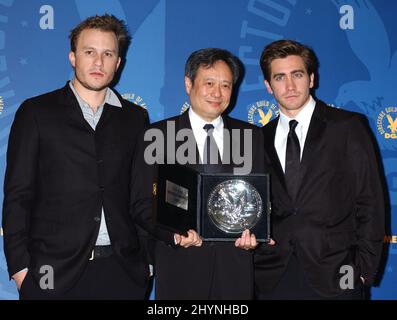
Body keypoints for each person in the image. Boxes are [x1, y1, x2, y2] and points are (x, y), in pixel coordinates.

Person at [2, 14, 153, 299]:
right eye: (89, 52)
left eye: (108, 54)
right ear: (73, 57)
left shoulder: (135, 118)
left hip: (122, 272)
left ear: (118, 63)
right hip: (51, 273)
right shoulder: (36, 113)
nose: (99, 62)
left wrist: (147, 262)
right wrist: (20, 269)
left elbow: (141, 195)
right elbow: (18, 195)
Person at [254, 39, 385, 299]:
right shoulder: (259, 138)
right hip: (274, 276)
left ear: (311, 78)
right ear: (268, 86)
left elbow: (370, 201)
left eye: (297, 75)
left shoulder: (347, 127)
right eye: (279, 77)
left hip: (339, 273)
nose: (289, 86)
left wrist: (362, 271)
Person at [138, 48, 267, 299]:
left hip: (235, 271)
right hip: (179, 267)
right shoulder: (157, 136)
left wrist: (256, 238)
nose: (217, 93)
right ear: (189, 84)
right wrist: (173, 234)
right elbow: (141, 203)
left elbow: (262, 201)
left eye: (226, 85)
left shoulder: (252, 137)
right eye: (209, 83)